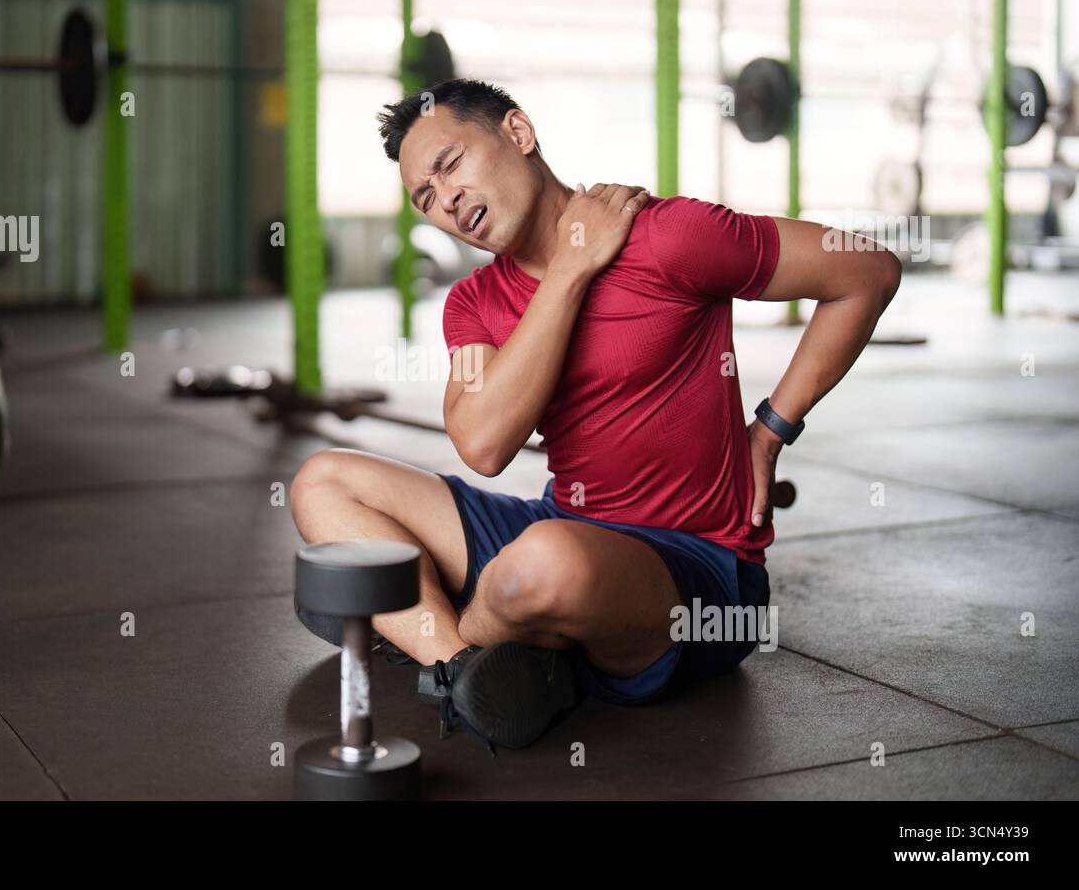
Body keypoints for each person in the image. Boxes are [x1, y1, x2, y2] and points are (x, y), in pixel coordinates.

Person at [290, 79, 901, 751]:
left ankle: (440, 630)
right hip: (562, 523)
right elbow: (483, 444)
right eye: (426, 199)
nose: (447, 199)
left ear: (518, 134)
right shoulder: (471, 305)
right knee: (322, 481)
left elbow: (866, 272)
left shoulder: (669, 238)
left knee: (545, 566)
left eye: (450, 164)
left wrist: (770, 431)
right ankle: (468, 665)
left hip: (694, 575)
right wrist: (571, 269)